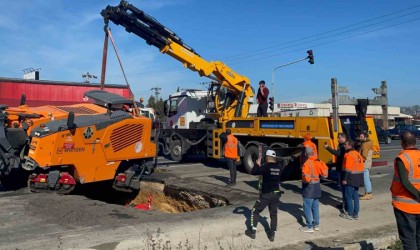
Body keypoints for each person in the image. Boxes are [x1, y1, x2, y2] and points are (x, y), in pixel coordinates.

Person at [245, 149, 284, 242]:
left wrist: (257, 163)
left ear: (266, 158)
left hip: (267, 194)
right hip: (276, 194)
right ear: (274, 158)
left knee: (255, 211)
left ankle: (252, 232)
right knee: (273, 213)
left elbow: (253, 171)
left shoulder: (265, 167)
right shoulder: (279, 167)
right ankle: (272, 234)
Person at [390, 131, 420, 250]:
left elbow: (405, 182)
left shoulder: (402, 158)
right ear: (415, 141)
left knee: (408, 241)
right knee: (418, 238)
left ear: (402, 143)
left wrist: (418, 195)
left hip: (405, 206)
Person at [299, 147, 328, 233]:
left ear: (306, 154)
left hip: (309, 187)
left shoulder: (307, 163)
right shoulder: (318, 161)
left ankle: (309, 226)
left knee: (307, 206)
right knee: (315, 206)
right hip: (317, 186)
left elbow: (305, 175)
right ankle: (316, 225)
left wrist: (306, 180)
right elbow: (325, 171)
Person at [324, 133, 348, 215]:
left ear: (344, 138)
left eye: (339, 138)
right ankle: (344, 204)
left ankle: (346, 206)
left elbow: (338, 154)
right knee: (342, 188)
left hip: (342, 169)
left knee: (344, 189)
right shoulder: (341, 145)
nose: (337, 139)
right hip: (340, 168)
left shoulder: (344, 146)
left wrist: (328, 148)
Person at [341, 140, 364, 220]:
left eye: (346, 144)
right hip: (358, 177)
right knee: (355, 196)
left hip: (351, 178)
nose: (344, 145)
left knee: (348, 196)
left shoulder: (349, 155)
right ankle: (356, 214)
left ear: (350, 146)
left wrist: (345, 179)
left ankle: (350, 214)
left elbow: (348, 169)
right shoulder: (357, 154)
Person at [359, 132, 374, 200]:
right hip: (368, 162)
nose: (360, 138)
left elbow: (364, 155)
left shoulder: (365, 144)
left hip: (365, 163)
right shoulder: (370, 142)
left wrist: (359, 161)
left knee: (366, 179)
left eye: (361, 137)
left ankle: (368, 193)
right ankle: (368, 193)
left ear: (365, 137)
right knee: (367, 178)